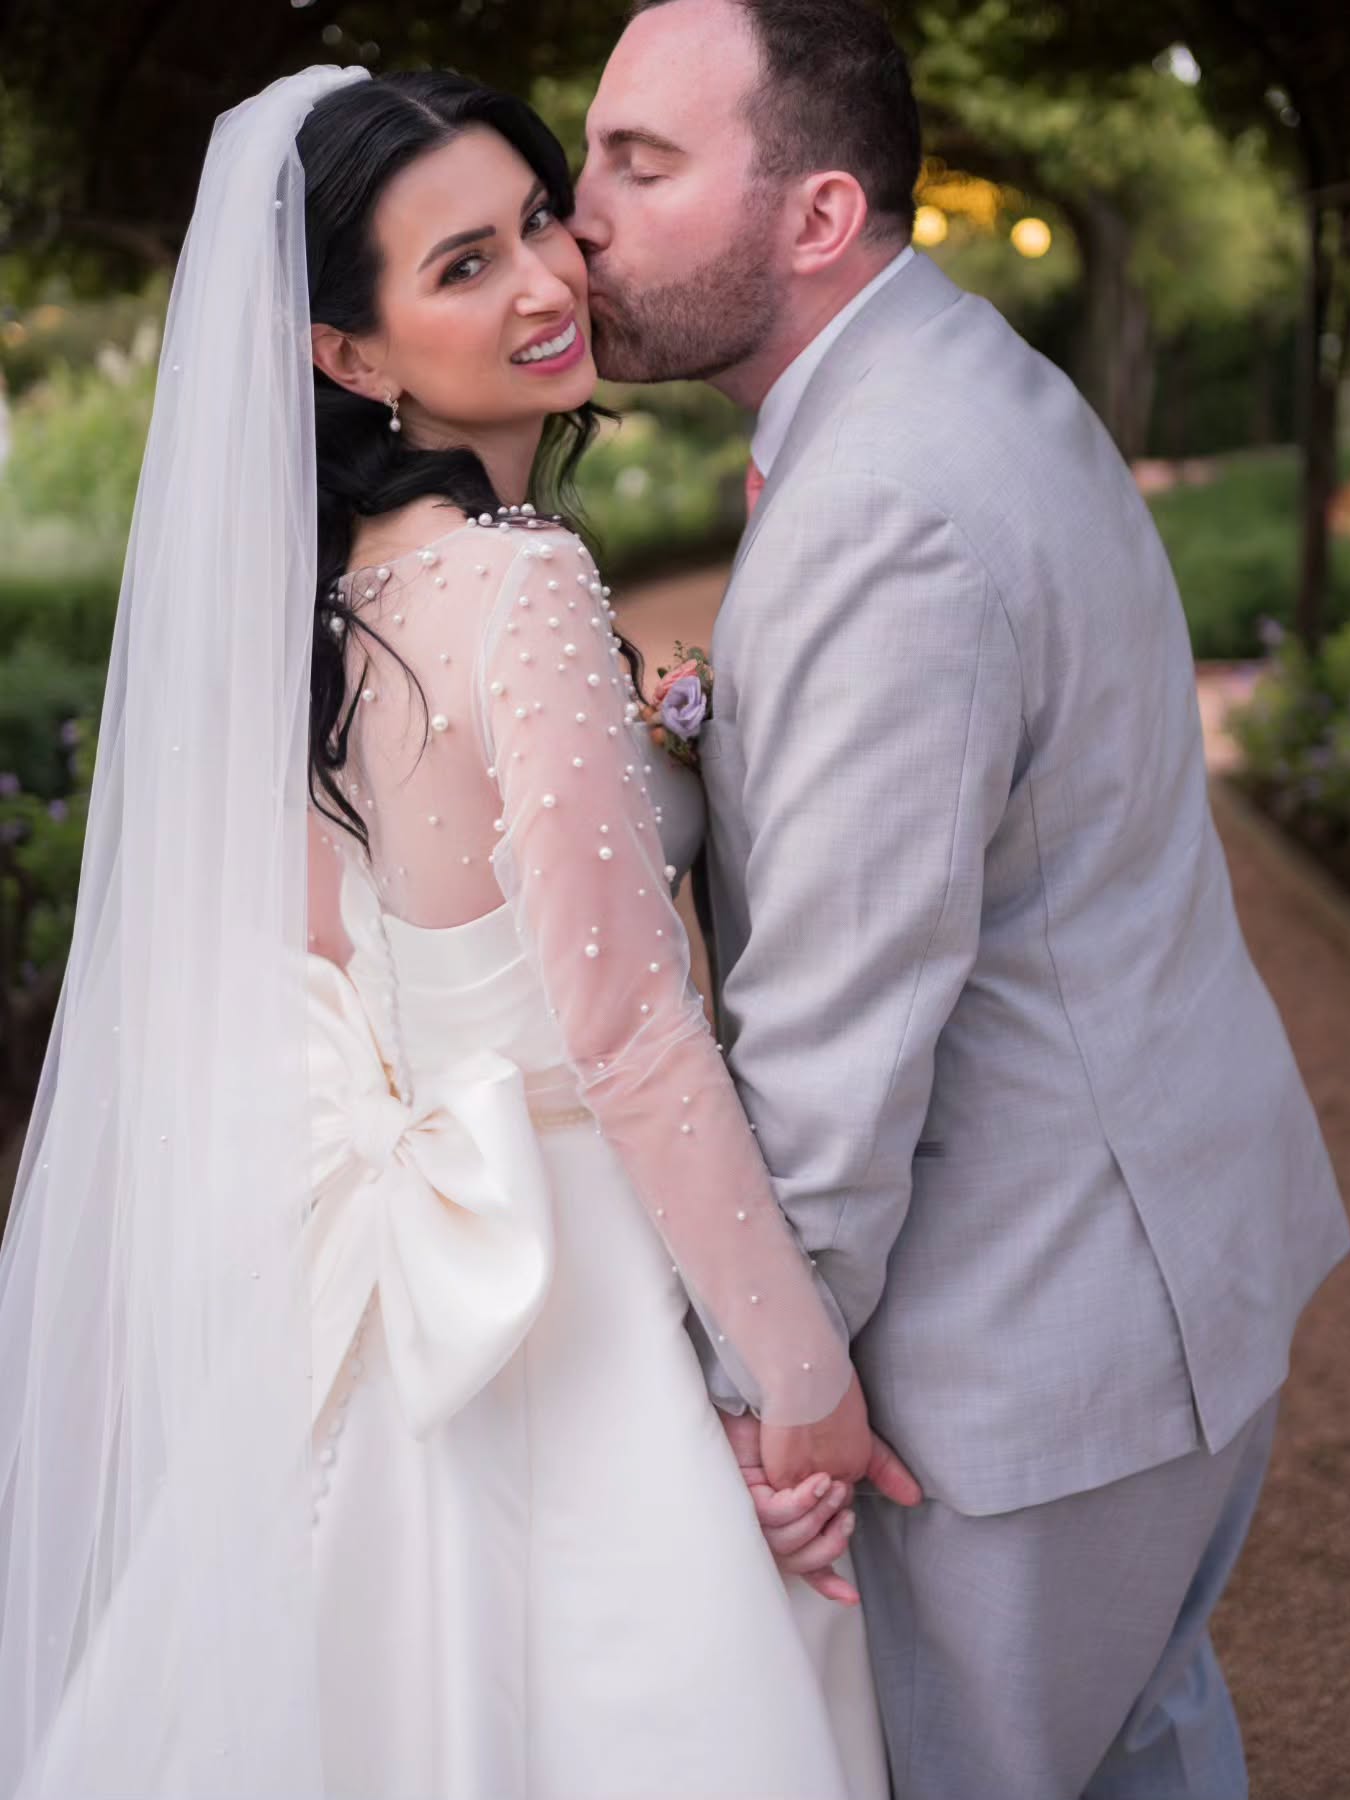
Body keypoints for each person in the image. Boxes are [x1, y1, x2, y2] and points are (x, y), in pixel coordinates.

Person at [0, 63, 906, 1800]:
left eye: (539, 222)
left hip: (391, 1265)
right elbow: (631, 1033)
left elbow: (336, 975)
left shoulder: (322, 608)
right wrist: (802, 1380)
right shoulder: (521, 586)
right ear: (352, 353)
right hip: (556, 1253)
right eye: (464, 265)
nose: (550, 283)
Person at [572, 2, 1350, 1796]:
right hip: (1164, 1272)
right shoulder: (962, 371)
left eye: (644, 162)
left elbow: (837, 1044)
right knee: (1146, 1747)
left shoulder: (886, 507)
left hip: (1037, 1348)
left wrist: (764, 1391)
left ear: (818, 215)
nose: (581, 212)